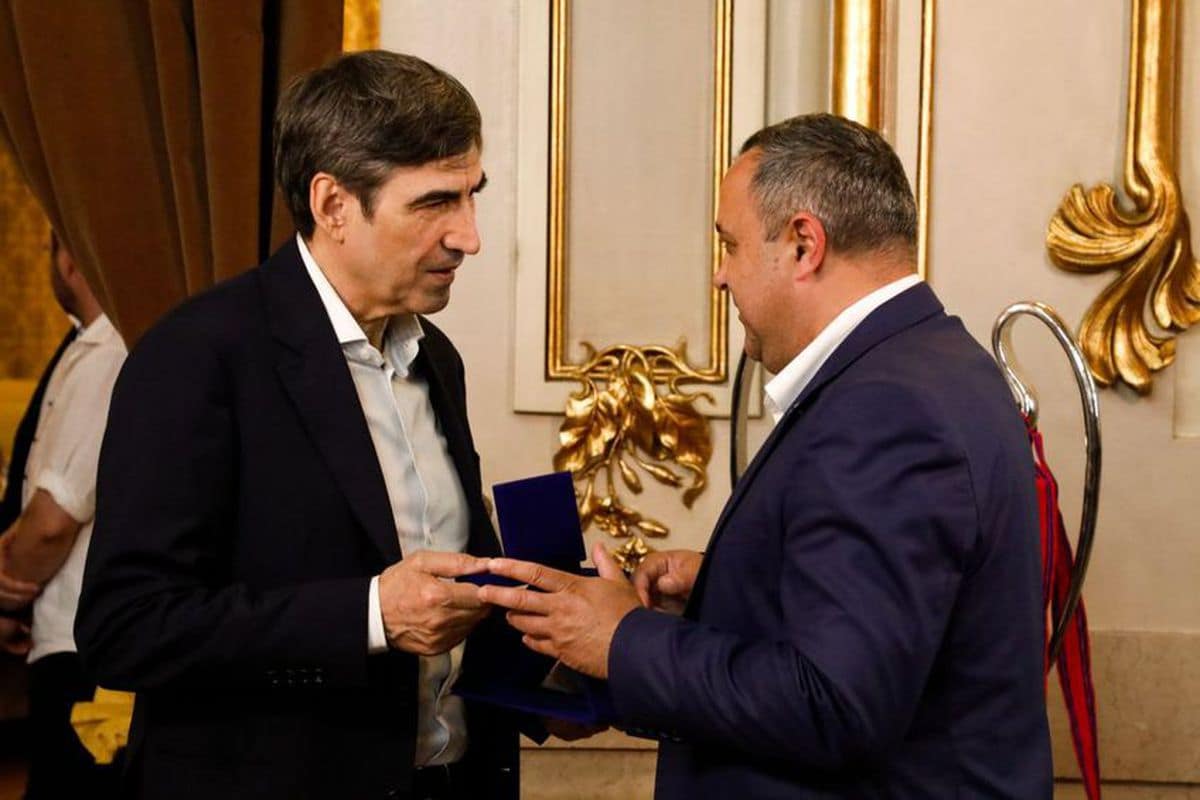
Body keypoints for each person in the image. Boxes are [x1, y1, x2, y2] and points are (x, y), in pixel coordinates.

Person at [480, 113, 1054, 797]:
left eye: (730, 245)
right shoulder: (933, 363)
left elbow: (834, 707)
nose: (720, 276)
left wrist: (620, 639)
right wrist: (730, 586)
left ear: (804, 244)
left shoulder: (886, 407)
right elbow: (892, 623)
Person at [76, 51, 524, 800]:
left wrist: (553, 657)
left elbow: (449, 600)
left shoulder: (436, 358)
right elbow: (126, 628)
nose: (469, 237)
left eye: (471, 196)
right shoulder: (199, 354)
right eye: (435, 203)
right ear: (333, 204)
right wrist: (369, 616)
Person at [0, 233, 127, 799]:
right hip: (65, 634)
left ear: (71, 257)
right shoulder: (88, 346)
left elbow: (54, 520)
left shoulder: (112, 351)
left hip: (86, 645)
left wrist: (6, 595)